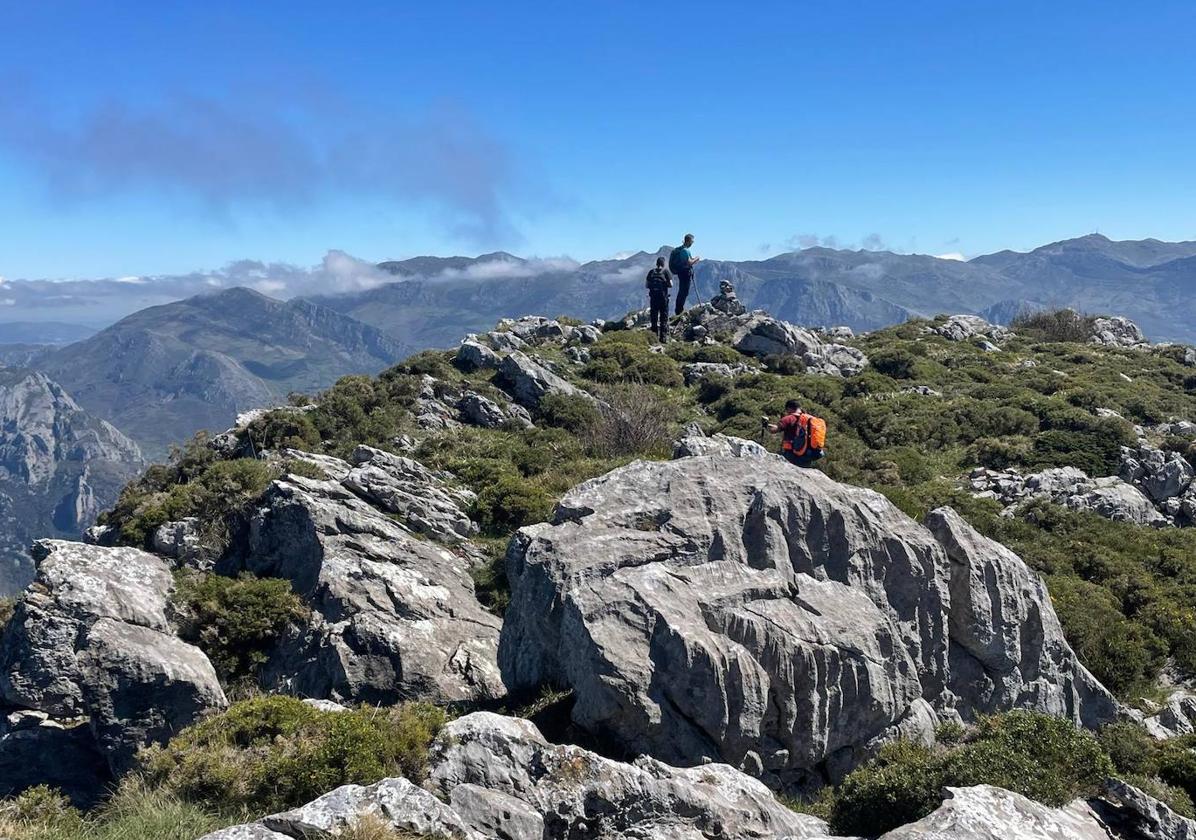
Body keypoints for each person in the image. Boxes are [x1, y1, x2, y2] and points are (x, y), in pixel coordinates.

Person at [765, 400, 824, 467]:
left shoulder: (788, 419)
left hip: (791, 454)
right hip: (806, 453)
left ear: (789, 408)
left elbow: (774, 430)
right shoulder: (808, 419)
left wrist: (766, 426)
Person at [668, 233, 701, 314]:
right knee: (684, 291)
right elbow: (689, 262)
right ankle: (679, 310)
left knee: (682, 290)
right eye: (692, 242)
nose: (692, 243)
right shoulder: (685, 250)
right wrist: (696, 258)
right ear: (689, 241)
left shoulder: (680, 249)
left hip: (680, 272)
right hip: (685, 273)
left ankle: (679, 309)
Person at [644, 257, 673, 341]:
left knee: (654, 318)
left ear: (656, 263)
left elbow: (646, 285)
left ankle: (654, 337)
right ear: (663, 264)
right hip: (663, 298)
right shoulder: (666, 272)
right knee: (663, 318)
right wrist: (665, 285)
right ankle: (663, 338)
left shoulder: (651, 272)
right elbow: (671, 284)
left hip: (653, 298)